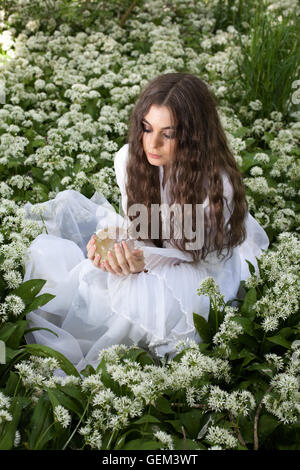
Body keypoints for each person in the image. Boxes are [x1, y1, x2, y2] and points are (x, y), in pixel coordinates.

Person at [23, 73, 269, 373]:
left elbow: (191, 254)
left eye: (169, 133)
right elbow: (144, 228)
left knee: (135, 301)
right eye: (147, 128)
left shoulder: (216, 185)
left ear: (194, 137)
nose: (153, 143)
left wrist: (140, 263)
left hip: (199, 270)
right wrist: (114, 249)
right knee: (92, 279)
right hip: (162, 252)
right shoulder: (131, 159)